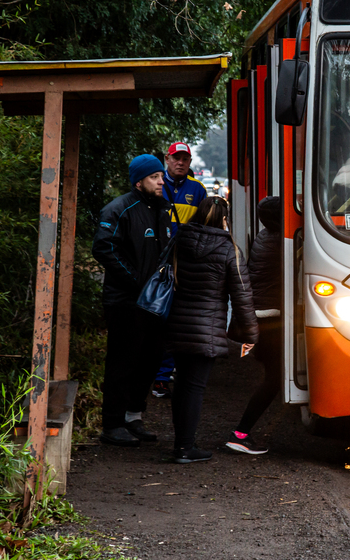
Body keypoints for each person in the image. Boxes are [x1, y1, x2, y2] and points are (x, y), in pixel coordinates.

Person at [164, 196, 260, 463]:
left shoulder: (179, 241)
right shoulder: (229, 249)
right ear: (225, 220)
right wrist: (250, 336)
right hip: (206, 328)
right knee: (194, 388)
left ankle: (181, 443)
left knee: (182, 384)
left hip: (177, 322)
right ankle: (185, 448)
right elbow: (242, 297)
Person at [91, 154, 170, 446]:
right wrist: (136, 280)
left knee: (150, 359)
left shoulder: (161, 209)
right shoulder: (119, 209)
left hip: (153, 303)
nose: (162, 182)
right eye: (155, 177)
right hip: (125, 301)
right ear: (139, 181)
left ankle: (133, 417)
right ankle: (111, 424)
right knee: (122, 362)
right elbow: (102, 248)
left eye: (161, 176)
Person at [152, 142, 209, 399]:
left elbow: (205, 225)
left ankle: (174, 372)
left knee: (183, 320)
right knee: (160, 318)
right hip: (159, 264)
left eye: (185, 159)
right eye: (176, 158)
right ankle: (160, 375)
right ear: (167, 158)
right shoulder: (156, 186)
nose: (180, 163)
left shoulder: (198, 190)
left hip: (187, 264)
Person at [226, 196, 282, 456]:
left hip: (261, 317)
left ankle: (242, 432)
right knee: (273, 380)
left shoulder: (264, 236)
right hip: (269, 319)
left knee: (272, 378)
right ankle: (240, 433)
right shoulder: (280, 241)